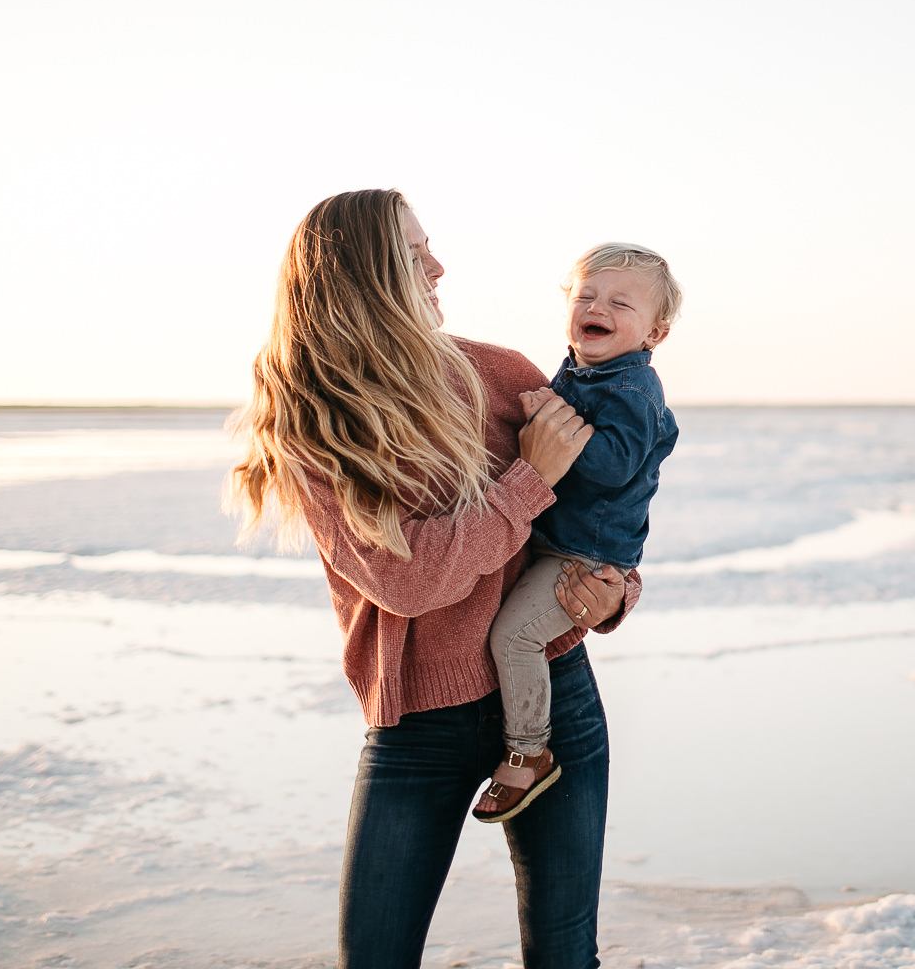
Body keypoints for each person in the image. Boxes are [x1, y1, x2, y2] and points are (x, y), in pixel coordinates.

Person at [227, 189, 639, 968]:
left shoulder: (501, 373)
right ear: (366, 279)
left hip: (554, 698)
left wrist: (615, 593)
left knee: (564, 954)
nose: (439, 266)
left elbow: (600, 514)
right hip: (418, 725)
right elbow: (406, 582)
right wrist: (526, 482)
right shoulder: (312, 420)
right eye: (415, 256)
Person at [472, 244, 682, 824]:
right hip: (555, 538)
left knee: (515, 638)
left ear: (654, 333)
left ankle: (528, 751)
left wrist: (552, 422)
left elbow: (613, 465)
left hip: (583, 555)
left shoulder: (634, 391)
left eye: (620, 302)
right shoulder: (581, 369)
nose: (597, 307)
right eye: (585, 296)